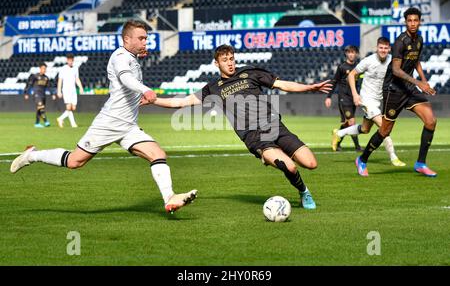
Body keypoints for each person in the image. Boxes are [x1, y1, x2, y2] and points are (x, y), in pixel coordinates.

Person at [11, 20, 198, 213]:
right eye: (141, 38)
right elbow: (126, 79)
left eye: (146, 38)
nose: (145, 42)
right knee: (75, 161)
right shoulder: (119, 56)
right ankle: (31, 155)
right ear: (127, 39)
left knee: (158, 154)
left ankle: (170, 198)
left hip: (128, 126)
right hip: (109, 123)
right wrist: (145, 90)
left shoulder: (131, 57)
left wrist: (138, 92)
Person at [145, 44, 332, 210]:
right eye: (225, 60)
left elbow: (281, 84)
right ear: (216, 63)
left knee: (311, 163)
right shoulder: (213, 88)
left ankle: (270, 156)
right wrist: (154, 100)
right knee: (289, 167)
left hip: (274, 125)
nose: (230, 63)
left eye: (232, 59)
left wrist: (309, 87)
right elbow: (182, 102)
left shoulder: (250, 72)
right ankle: (304, 191)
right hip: (253, 135)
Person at [355, 7, 437, 177]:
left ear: (420, 21)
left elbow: (416, 61)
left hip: (409, 87)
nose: (413, 23)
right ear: (405, 22)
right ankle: (362, 159)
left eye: (416, 20)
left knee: (430, 121)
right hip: (394, 89)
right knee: (385, 131)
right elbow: (397, 70)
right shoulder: (400, 42)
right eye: (410, 20)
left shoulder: (419, 39)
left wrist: (424, 80)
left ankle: (421, 163)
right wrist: (419, 83)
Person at [332, 37, 406, 167]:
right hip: (367, 99)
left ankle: (339, 133)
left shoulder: (391, 61)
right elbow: (351, 75)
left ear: (389, 49)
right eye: (381, 48)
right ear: (377, 48)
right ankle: (393, 157)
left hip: (379, 100)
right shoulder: (368, 61)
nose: (383, 50)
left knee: (365, 129)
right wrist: (355, 95)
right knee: (384, 128)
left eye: (385, 48)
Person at [325, 45, 362, 152]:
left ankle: (336, 141)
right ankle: (357, 147)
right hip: (343, 98)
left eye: (353, 52)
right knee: (352, 122)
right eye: (349, 52)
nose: (351, 54)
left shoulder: (358, 68)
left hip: (353, 99)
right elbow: (334, 81)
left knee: (346, 124)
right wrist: (328, 96)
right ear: (346, 54)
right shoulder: (342, 67)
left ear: (356, 54)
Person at [24, 62, 56, 128]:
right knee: (41, 107)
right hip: (36, 94)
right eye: (43, 68)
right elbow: (30, 84)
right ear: (40, 69)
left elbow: (49, 87)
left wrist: (52, 94)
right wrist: (26, 93)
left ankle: (37, 123)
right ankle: (46, 121)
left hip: (43, 95)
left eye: (45, 69)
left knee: (39, 109)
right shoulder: (35, 76)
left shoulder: (46, 78)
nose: (44, 70)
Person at [56, 53, 84, 128]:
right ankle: (73, 124)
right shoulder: (63, 69)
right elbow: (60, 80)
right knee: (68, 107)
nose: (70, 62)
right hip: (66, 90)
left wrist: (81, 87)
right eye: (69, 60)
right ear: (67, 60)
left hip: (73, 90)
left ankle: (60, 118)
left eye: (71, 60)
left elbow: (77, 79)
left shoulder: (75, 68)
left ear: (73, 60)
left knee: (73, 108)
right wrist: (59, 91)